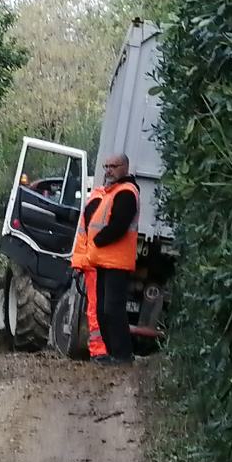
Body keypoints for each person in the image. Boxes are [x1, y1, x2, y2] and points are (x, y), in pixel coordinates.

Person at [86, 154, 139, 365]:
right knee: (103, 309)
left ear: (125, 167)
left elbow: (119, 225)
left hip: (116, 262)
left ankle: (123, 354)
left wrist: (98, 240)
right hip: (104, 261)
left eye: (113, 166)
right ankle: (111, 353)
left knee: (112, 309)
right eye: (106, 166)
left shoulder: (126, 192)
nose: (108, 170)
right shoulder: (113, 191)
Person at [71, 184, 108, 360]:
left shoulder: (95, 199)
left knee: (96, 306)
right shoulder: (100, 202)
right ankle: (98, 350)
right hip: (94, 262)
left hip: (91, 261)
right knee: (96, 307)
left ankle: (99, 349)